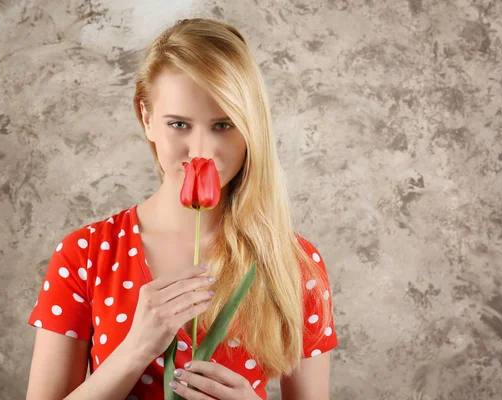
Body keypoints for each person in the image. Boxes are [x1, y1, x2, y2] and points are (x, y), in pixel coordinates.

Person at [26, 18, 338, 400]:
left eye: (224, 125)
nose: (201, 150)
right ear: (146, 117)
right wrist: (135, 350)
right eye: (178, 124)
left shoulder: (294, 263)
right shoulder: (85, 254)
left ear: (251, 128)